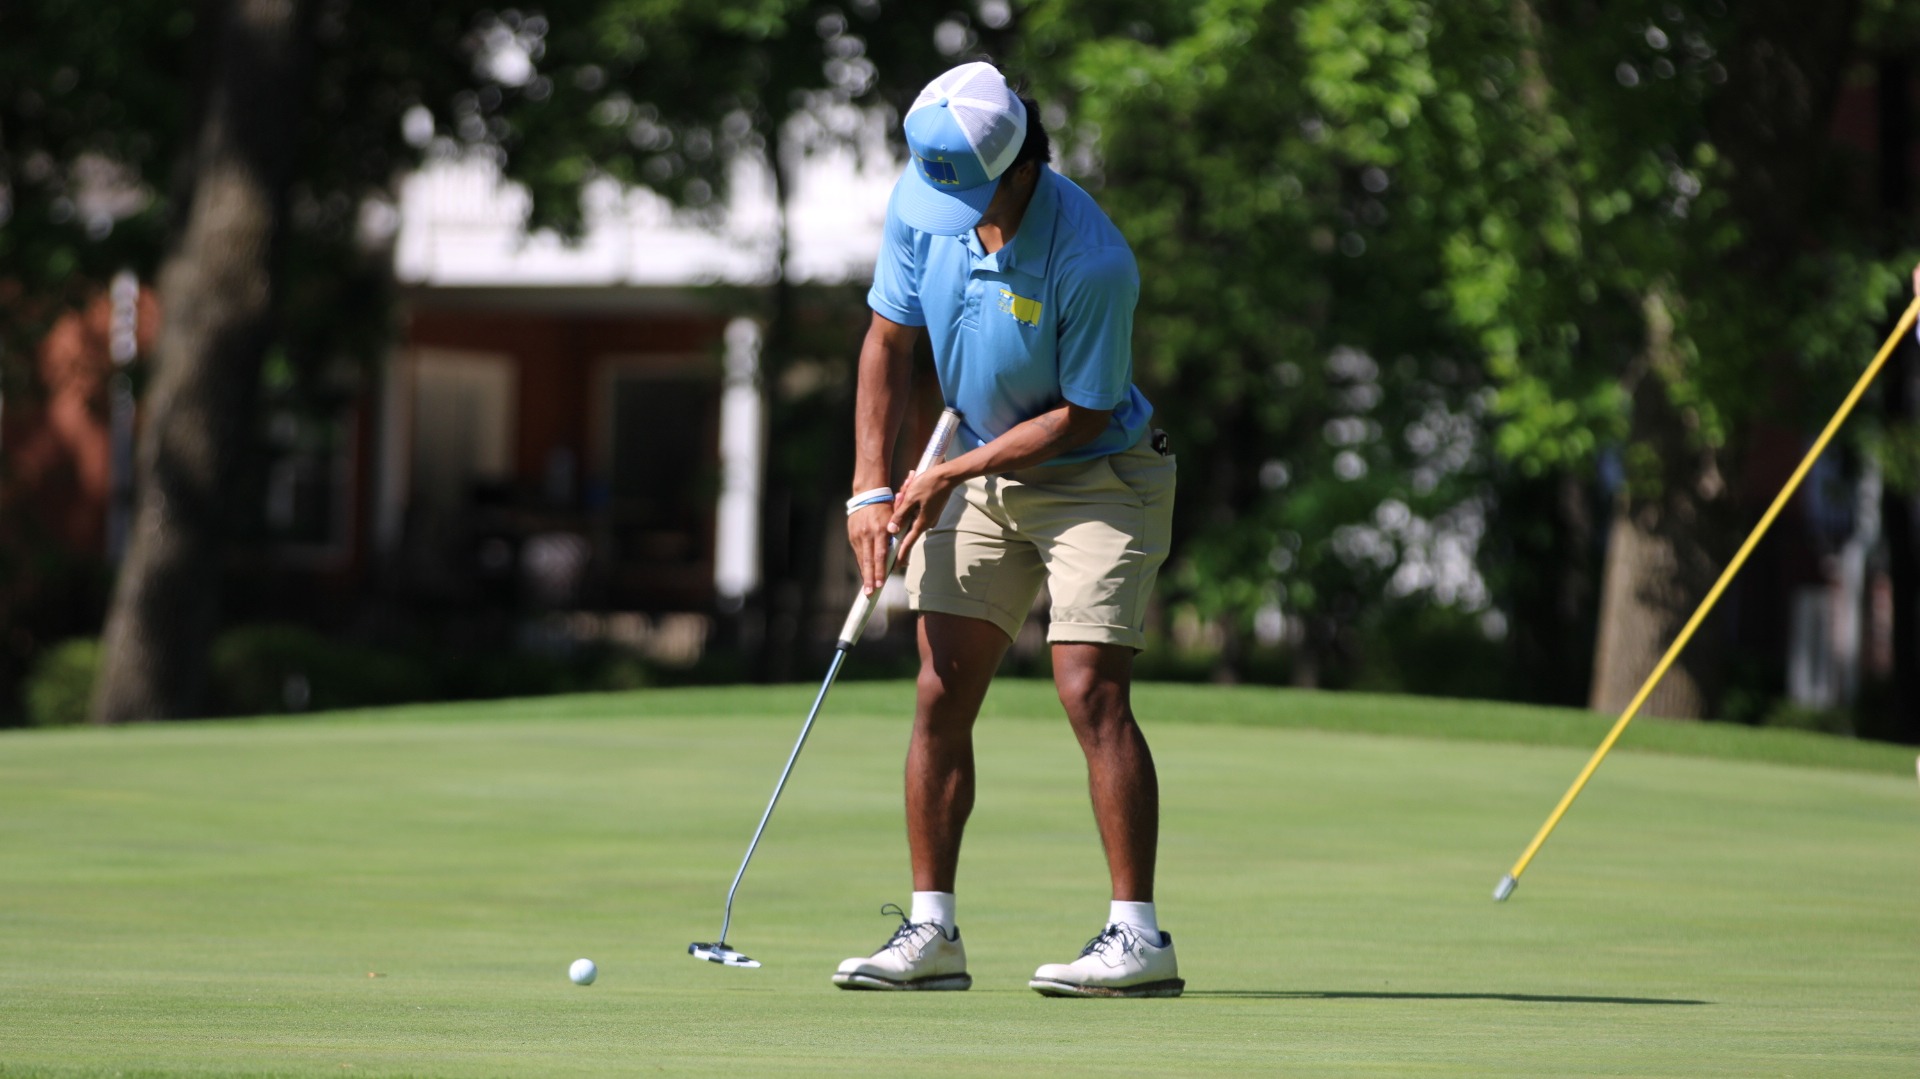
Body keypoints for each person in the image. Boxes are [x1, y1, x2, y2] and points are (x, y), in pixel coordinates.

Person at [831, 61, 1181, 998]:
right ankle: (932, 931)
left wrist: (945, 470)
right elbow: (886, 341)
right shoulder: (924, 201)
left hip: (1099, 475)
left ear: (1023, 164)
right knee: (940, 688)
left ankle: (1137, 937)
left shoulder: (1092, 258)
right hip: (978, 464)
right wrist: (870, 489)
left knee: (1087, 686)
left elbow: (1079, 413)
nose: (949, 210)